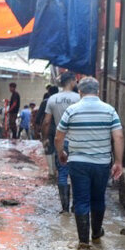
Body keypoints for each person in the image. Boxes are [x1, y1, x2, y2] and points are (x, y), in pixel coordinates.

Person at [55, 77, 124, 248]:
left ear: (80, 92)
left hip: (78, 163)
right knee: (98, 198)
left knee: (81, 200)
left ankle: (83, 241)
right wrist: (119, 162)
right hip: (102, 163)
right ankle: (96, 234)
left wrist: (61, 153)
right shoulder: (109, 110)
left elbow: (58, 136)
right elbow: (119, 136)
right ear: (98, 91)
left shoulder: (72, 110)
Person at [44, 72, 80, 212]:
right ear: (71, 82)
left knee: (63, 173)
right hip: (77, 141)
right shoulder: (79, 98)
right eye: (75, 81)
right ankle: (76, 205)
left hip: (61, 140)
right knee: (78, 173)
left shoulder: (53, 99)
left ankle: (64, 208)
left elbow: (47, 122)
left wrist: (45, 138)